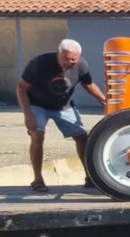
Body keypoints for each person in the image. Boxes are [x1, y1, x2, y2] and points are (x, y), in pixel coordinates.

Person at [16, 39, 106, 192]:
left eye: (73, 59)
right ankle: (38, 179)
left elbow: (89, 84)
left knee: (82, 137)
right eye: (66, 58)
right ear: (59, 54)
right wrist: (28, 113)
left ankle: (90, 176)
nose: (69, 62)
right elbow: (21, 87)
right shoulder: (39, 63)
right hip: (37, 104)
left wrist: (105, 101)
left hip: (64, 106)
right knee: (37, 135)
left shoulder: (82, 65)